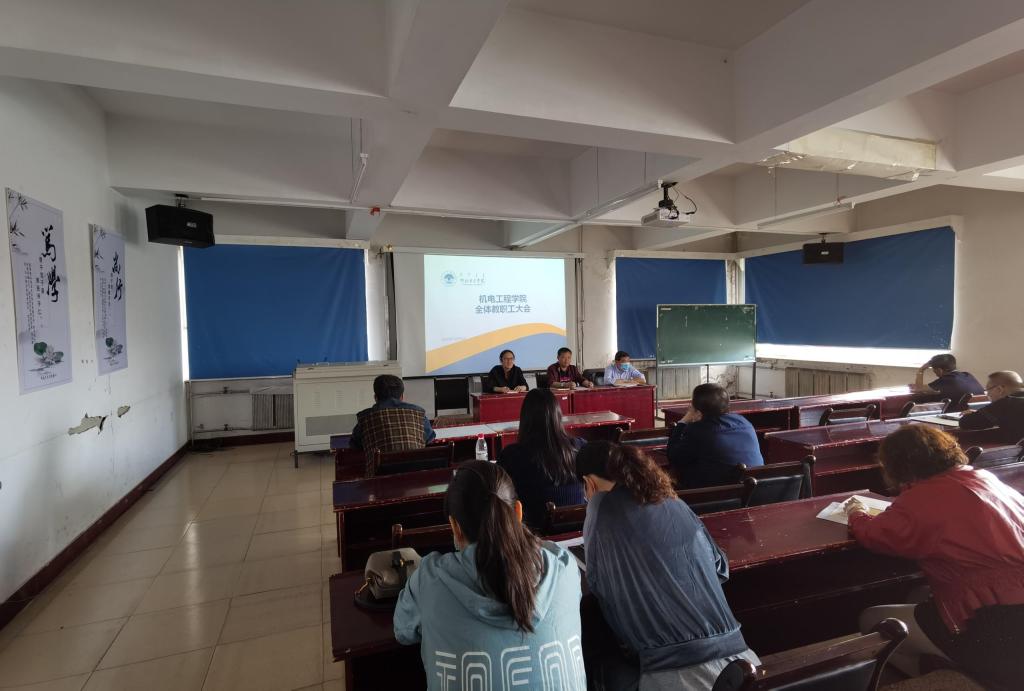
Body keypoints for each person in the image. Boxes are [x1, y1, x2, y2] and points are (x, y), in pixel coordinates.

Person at [846, 425, 1024, 688]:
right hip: (1010, 605)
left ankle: (961, 678)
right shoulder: (985, 478)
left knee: (873, 621)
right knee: (917, 597)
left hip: (993, 618)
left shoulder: (919, 500)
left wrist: (856, 513)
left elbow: (875, 534)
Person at [575, 441, 759, 690]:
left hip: (677, 674)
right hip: (740, 660)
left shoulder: (600, 506)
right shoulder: (672, 500)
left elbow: (598, 584)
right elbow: (719, 567)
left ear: (589, 483)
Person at [394, 461, 586, 690]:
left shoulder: (429, 580)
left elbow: (402, 631)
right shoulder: (563, 567)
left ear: (455, 527)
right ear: (518, 512)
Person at [498, 388, 585, 531]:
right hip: (577, 534)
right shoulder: (579, 447)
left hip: (531, 537)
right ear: (558, 415)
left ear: (525, 419)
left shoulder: (511, 455)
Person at [667, 383, 763, 489]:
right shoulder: (744, 422)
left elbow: (673, 456)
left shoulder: (698, 430)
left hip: (718, 494)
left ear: (696, 410)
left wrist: (683, 422)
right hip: (756, 488)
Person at [350, 374, 435, 450]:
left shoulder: (365, 418)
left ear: (375, 398)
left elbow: (355, 445)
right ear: (402, 397)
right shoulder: (418, 414)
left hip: (381, 463)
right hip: (415, 462)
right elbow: (430, 437)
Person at [959, 370, 1024, 442]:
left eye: (988, 390)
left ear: (999, 389)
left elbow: (965, 423)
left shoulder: (1006, 403)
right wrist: (981, 413)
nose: (988, 394)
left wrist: (975, 414)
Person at [911, 354, 983, 403]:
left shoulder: (947, 380)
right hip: (974, 413)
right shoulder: (967, 375)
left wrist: (921, 370)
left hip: (957, 414)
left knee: (919, 400)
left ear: (940, 370)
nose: (933, 371)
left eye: (933, 369)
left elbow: (919, 389)